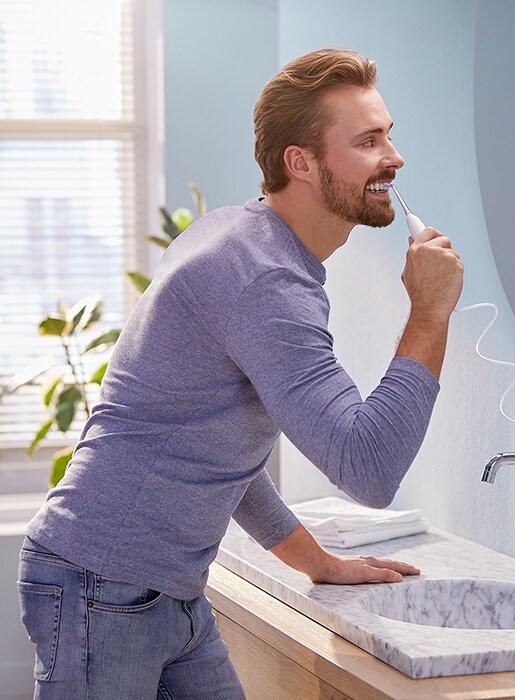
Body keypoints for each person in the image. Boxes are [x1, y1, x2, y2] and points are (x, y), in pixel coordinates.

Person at [18, 48, 464, 699]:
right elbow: (370, 469)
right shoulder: (260, 277)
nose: (394, 157)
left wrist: (318, 563)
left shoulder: (244, 240)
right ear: (300, 162)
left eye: (389, 134)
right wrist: (429, 313)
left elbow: (212, 446)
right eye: (369, 140)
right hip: (103, 584)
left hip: (156, 590)